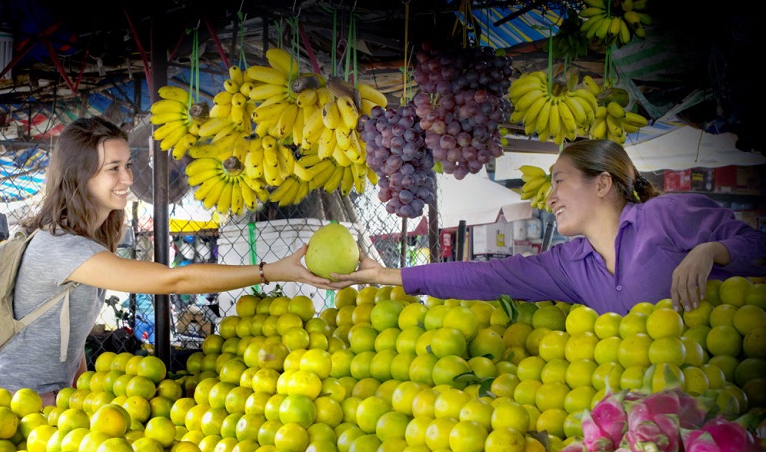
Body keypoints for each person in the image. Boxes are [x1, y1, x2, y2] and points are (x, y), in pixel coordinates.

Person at [0, 116, 330, 403]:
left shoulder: (87, 241)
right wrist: (271, 271)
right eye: (113, 168)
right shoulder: (61, 246)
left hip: (51, 400)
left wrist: (77, 385)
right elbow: (171, 281)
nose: (129, 178)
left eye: (127, 164)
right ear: (80, 177)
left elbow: (67, 327)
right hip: (8, 404)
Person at [327, 139, 766, 314]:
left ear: (603, 184)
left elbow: (757, 245)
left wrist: (711, 252)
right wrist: (385, 275)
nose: (550, 196)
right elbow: (484, 276)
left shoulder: (666, 217)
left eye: (559, 181)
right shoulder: (570, 265)